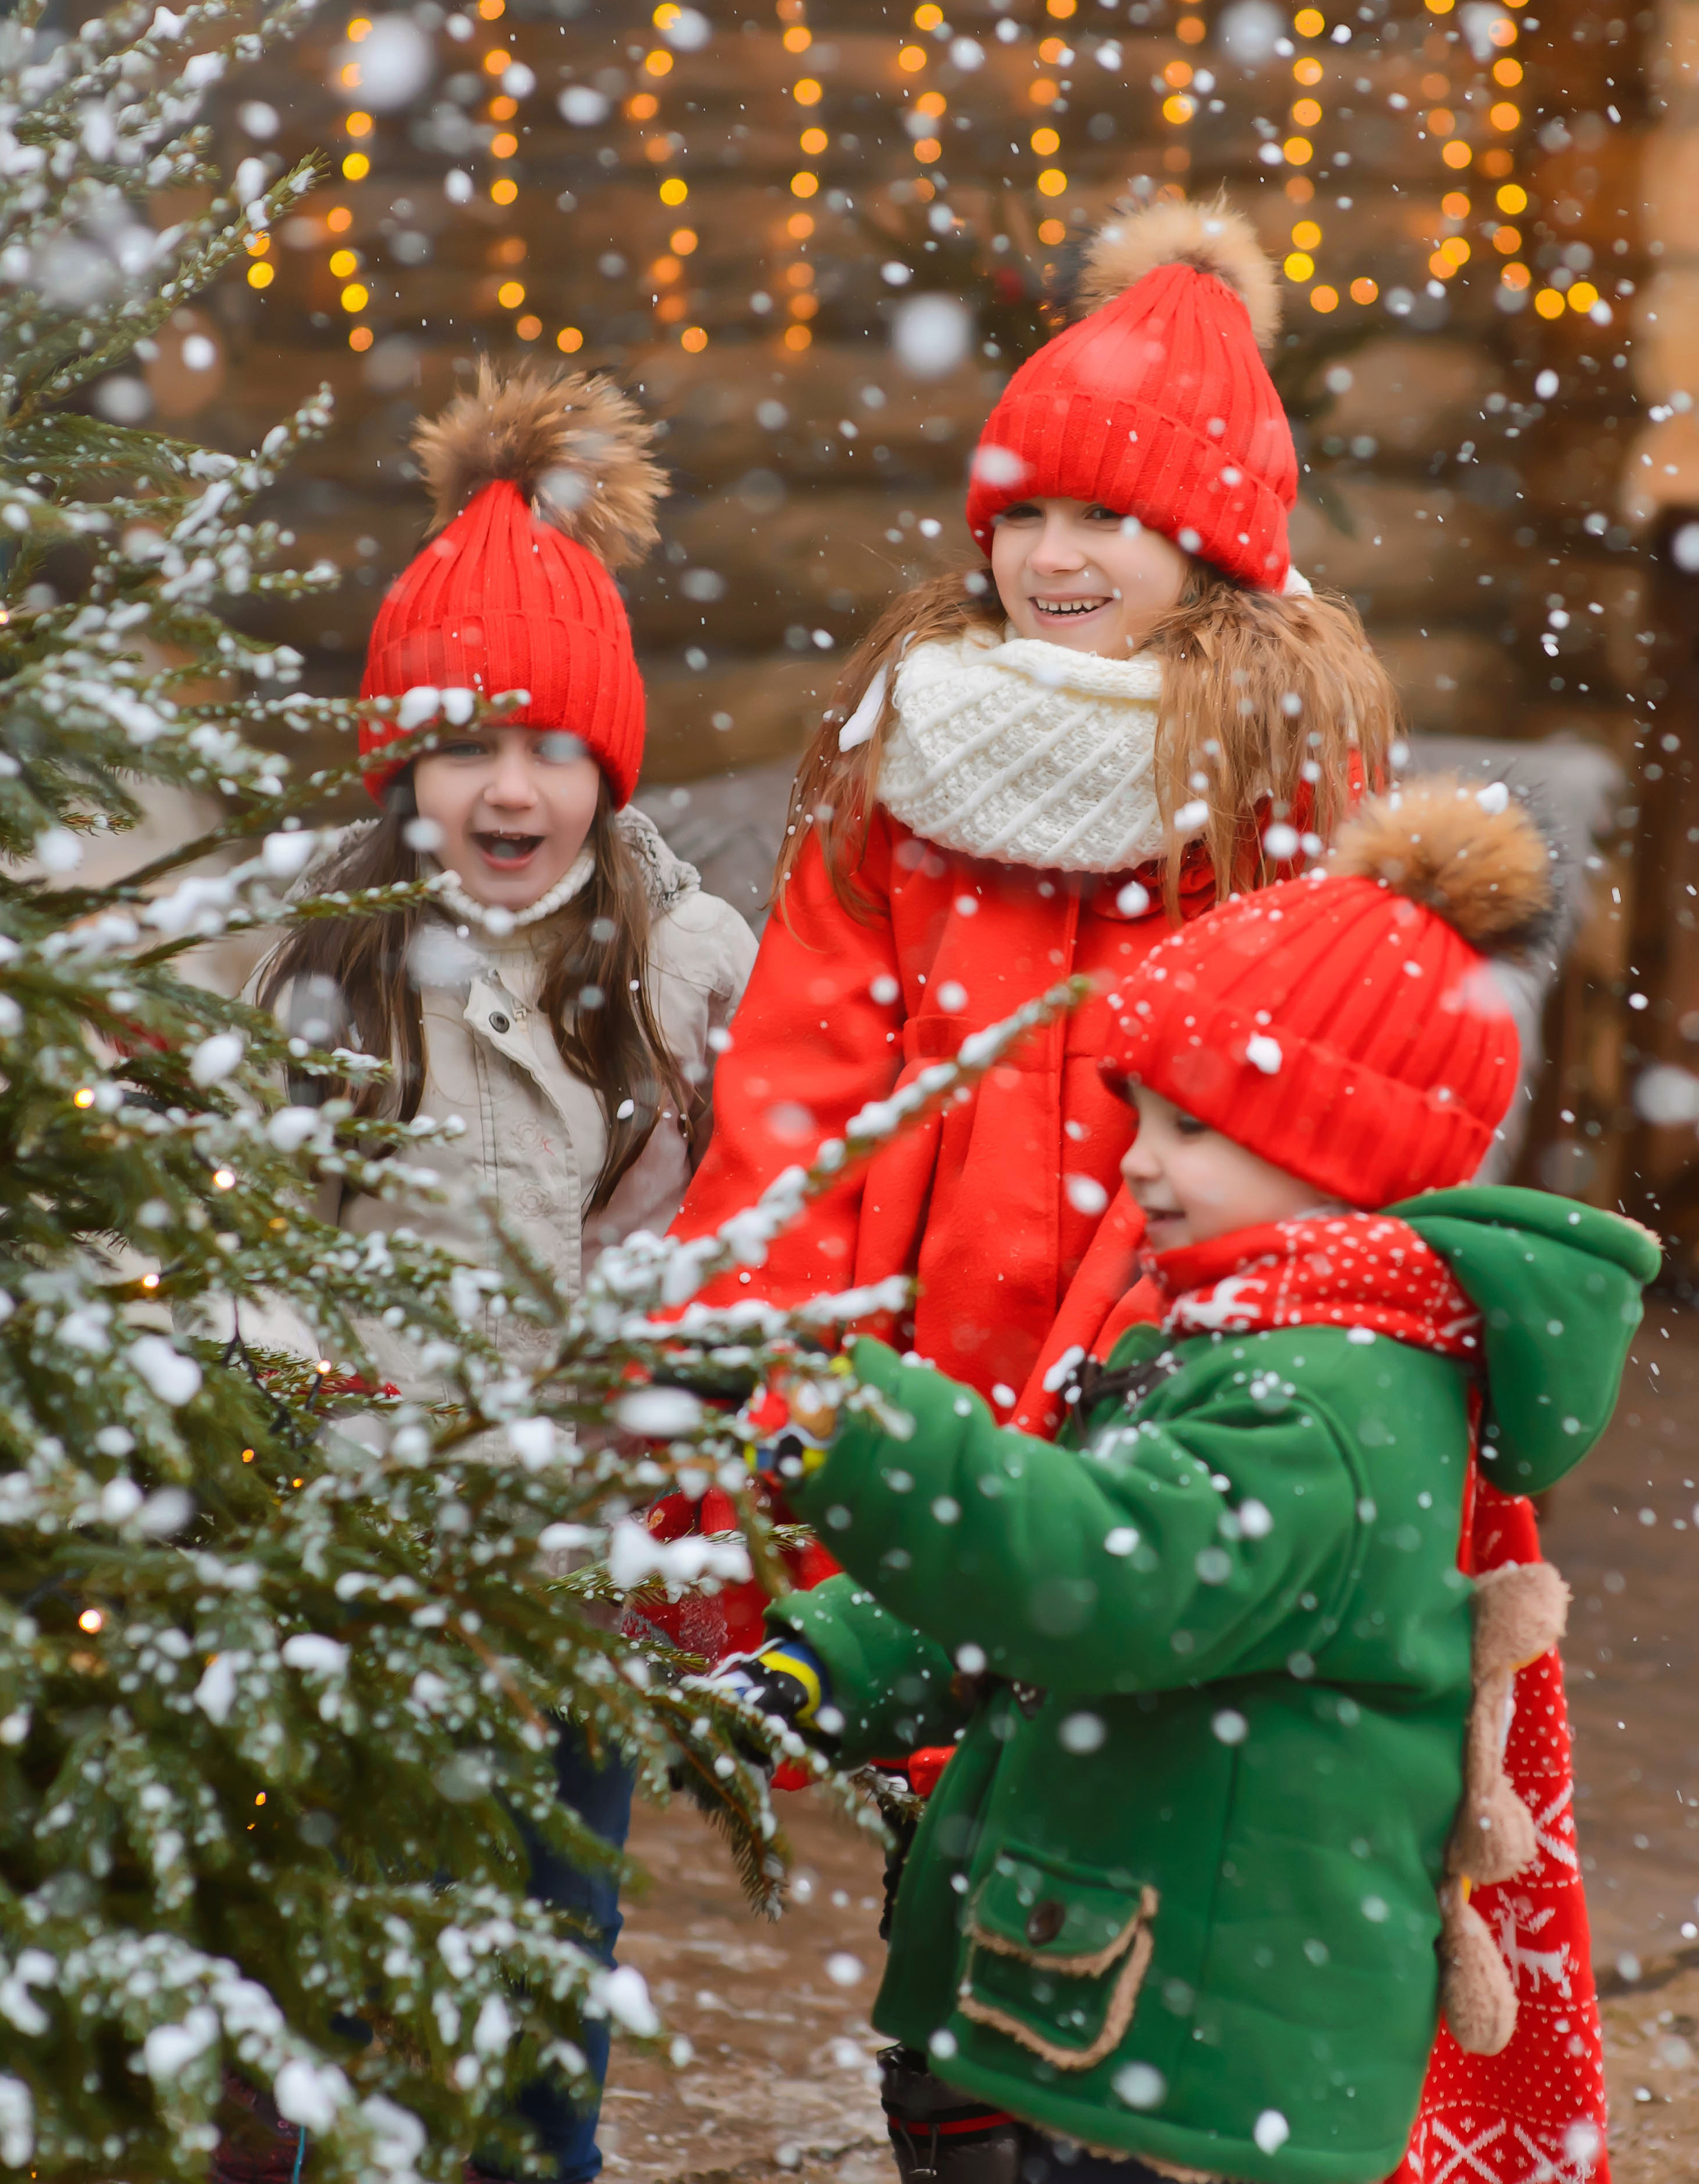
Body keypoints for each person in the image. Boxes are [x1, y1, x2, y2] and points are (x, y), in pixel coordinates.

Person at [730, 779, 1652, 2184]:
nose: (1138, 1162)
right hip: (1154, 2017)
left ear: (1339, 1153)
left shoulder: (1332, 1395)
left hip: (1205, 2057)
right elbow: (1071, 1539)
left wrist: (862, 1425)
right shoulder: (1243, 1336)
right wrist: (832, 1657)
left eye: (1189, 1131)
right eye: (1140, 1114)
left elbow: (1103, 1579)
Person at [644, 196, 1398, 1663]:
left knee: (1091, 1712)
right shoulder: (905, 750)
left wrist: (1169, 1339)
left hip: (1143, 1334)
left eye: (1107, 517)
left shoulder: (1277, 791)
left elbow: (1293, 1109)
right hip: (914, 1329)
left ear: (1209, 546)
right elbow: (801, 1070)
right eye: (1022, 514)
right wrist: (747, 1313)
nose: (1051, 556)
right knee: (898, 1703)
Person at [226, 361, 757, 2184]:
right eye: (463, 746)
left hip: (563, 1569)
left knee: (549, 1927)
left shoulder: (687, 975)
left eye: (549, 747)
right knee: (314, 1928)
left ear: (610, 766)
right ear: (403, 770)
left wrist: (650, 1406)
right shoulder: (330, 968)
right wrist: (297, 1402)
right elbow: (246, 1235)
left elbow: (730, 1235)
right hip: (352, 1537)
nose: (506, 787)